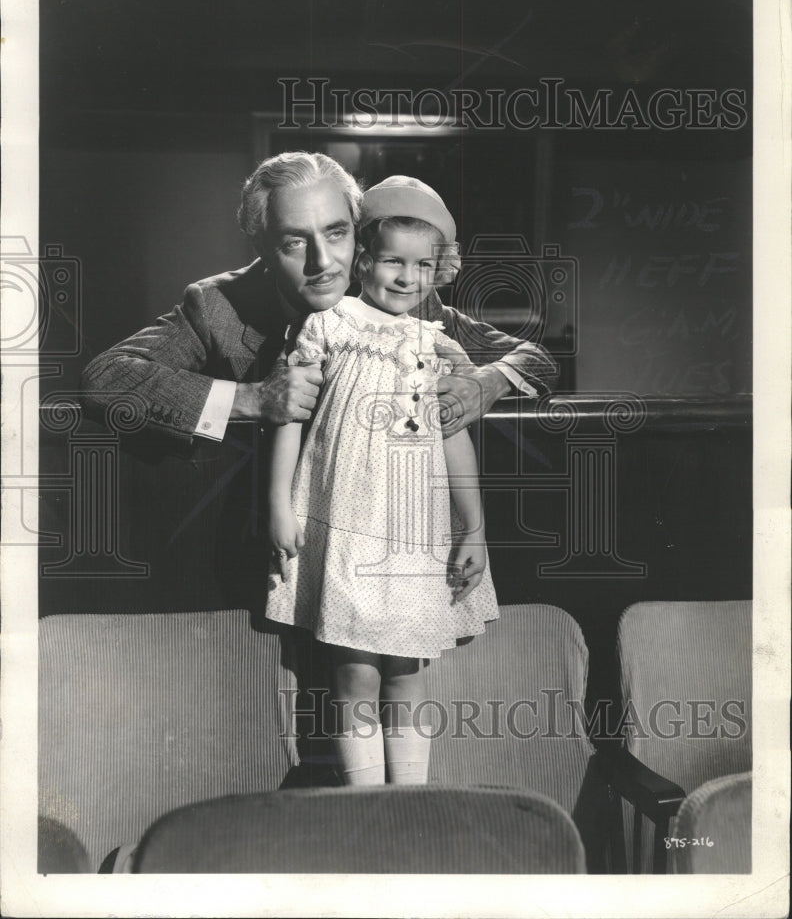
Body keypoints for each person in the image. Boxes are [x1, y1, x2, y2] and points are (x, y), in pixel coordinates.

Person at [265, 176, 500, 787]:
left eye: (422, 265)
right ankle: (367, 806)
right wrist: (278, 506)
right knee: (354, 673)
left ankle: (410, 801)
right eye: (392, 260)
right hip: (344, 521)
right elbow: (288, 417)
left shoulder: (435, 345)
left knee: (405, 671)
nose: (406, 276)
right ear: (364, 260)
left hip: (412, 531)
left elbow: (454, 438)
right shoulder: (329, 324)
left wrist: (473, 527)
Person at [80, 151, 558, 446]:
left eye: (336, 233)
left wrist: (488, 384)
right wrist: (252, 400)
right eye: (294, 242)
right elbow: (106, 379)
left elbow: (535, 358)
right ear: (263, 250)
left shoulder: (400, 297)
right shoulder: (215, 306)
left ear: (359, 233)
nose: (324, 261)